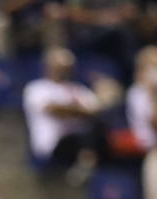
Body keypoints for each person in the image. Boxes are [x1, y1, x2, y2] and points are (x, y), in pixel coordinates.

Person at [22, 48, 105, 178]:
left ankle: (86, 164)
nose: (63, 71)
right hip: (53, 144)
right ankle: (85, 164)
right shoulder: (37, 88)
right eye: (59, 67)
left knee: (101, 128)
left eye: (67, 67)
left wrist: (71, 110)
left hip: (81, 140)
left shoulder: (78, 88)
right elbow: (53, 110)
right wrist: (78, 110)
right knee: (79, 138)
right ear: (48, 67)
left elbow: (96, 111)